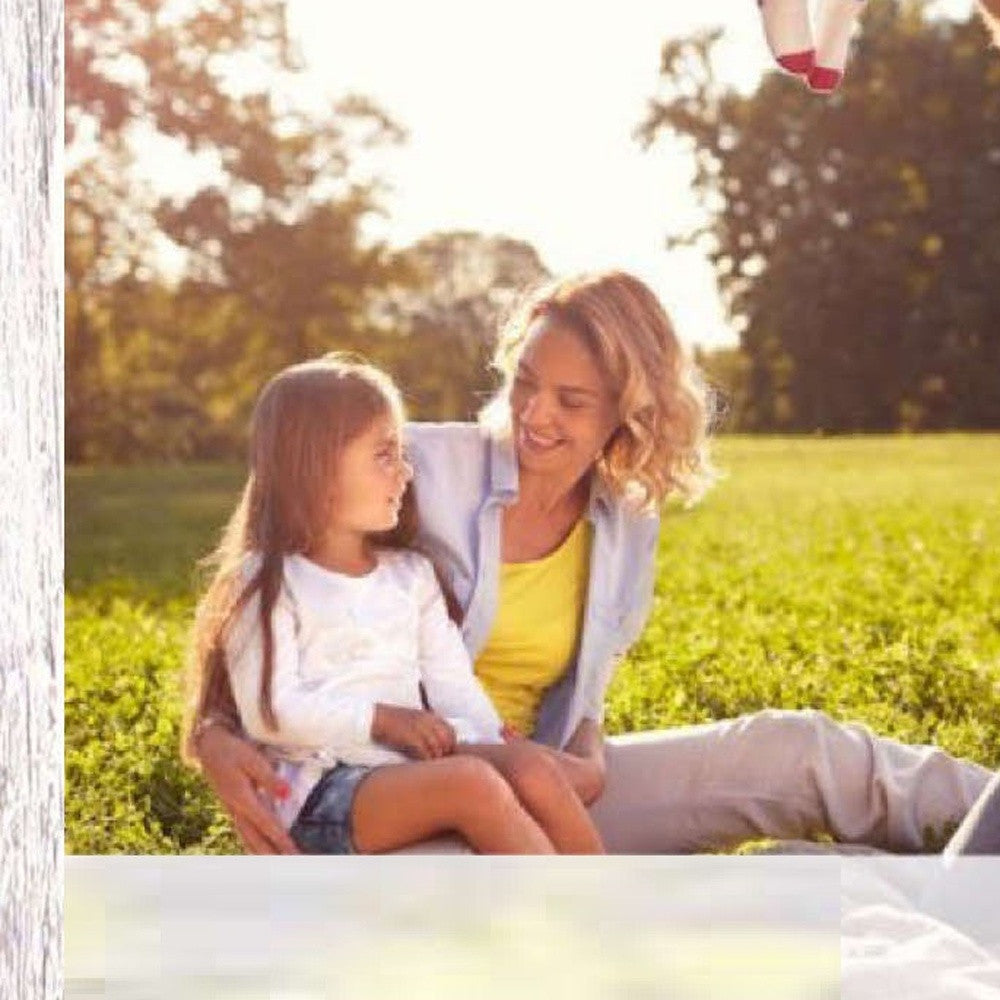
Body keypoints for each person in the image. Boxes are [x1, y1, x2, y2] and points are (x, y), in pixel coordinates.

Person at [186, 270, 994, 856]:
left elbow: (585, 709)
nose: (536, 416)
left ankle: (979, 822)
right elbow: (262, 567)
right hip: (403, 798)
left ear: (627, 411)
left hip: (535, 786)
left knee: (796, 748)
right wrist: (210, 734)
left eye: (572, 402)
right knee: (476, 891)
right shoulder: (416, 465)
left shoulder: (624, 525)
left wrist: (589, 753)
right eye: (526, 383)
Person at [184, 355, 604, 854]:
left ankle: (606, 911)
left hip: (401, 772)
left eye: (401, 452)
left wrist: (494, 737)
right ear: (313, 466)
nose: (406, 472)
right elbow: (272, 711)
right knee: (472, 783)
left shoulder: (411, 574)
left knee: (531, 769)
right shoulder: (265, 581)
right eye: (384, 455)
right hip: (319, 792)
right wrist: (382, 720)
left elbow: (452, 682)